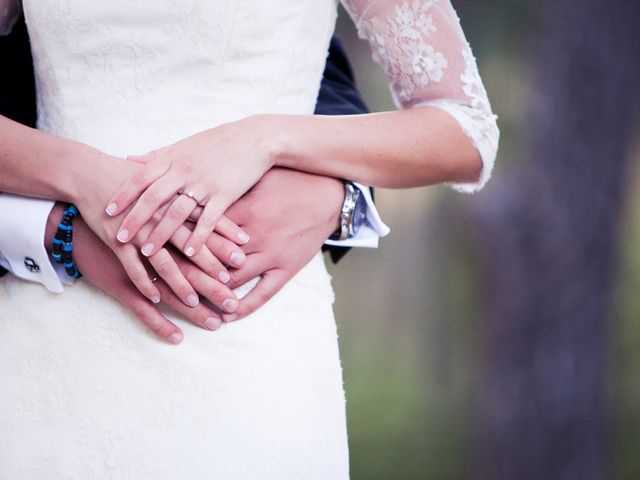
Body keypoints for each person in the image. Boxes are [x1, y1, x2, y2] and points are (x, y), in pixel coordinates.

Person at [0, 1, 499, 478]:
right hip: (50, 338)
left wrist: (266, 138)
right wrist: (83, 181)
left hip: (250, 350)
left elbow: (466, 129)